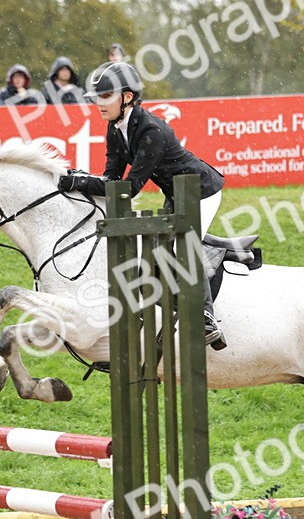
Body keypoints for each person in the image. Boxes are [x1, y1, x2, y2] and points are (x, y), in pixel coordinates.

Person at [58, 62, 228, 349]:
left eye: (105, 96)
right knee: (158, 251)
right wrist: (83, 179)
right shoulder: (114, 128)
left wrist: (81, 183)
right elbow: (112, 178)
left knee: (182, 245)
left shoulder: (151, 130)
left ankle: (206, 316)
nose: (99, 103)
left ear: (127, 97)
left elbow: (131, 187)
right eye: (97, 97)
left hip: (201, 190)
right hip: (175, 193)